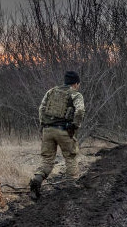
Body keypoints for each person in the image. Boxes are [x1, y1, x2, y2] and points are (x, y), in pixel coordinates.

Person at [29, 71, 85, 199]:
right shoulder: (75, 94)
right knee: (70, 157)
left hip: (47, 130)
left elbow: (41, 109)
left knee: (47, 160)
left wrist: (44, 125)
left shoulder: (51, 91)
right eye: (78, 84)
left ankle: (37, 180)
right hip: (64, 130)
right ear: (76, 83)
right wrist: (75, 125)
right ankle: (71, 187)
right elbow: (80, 110)